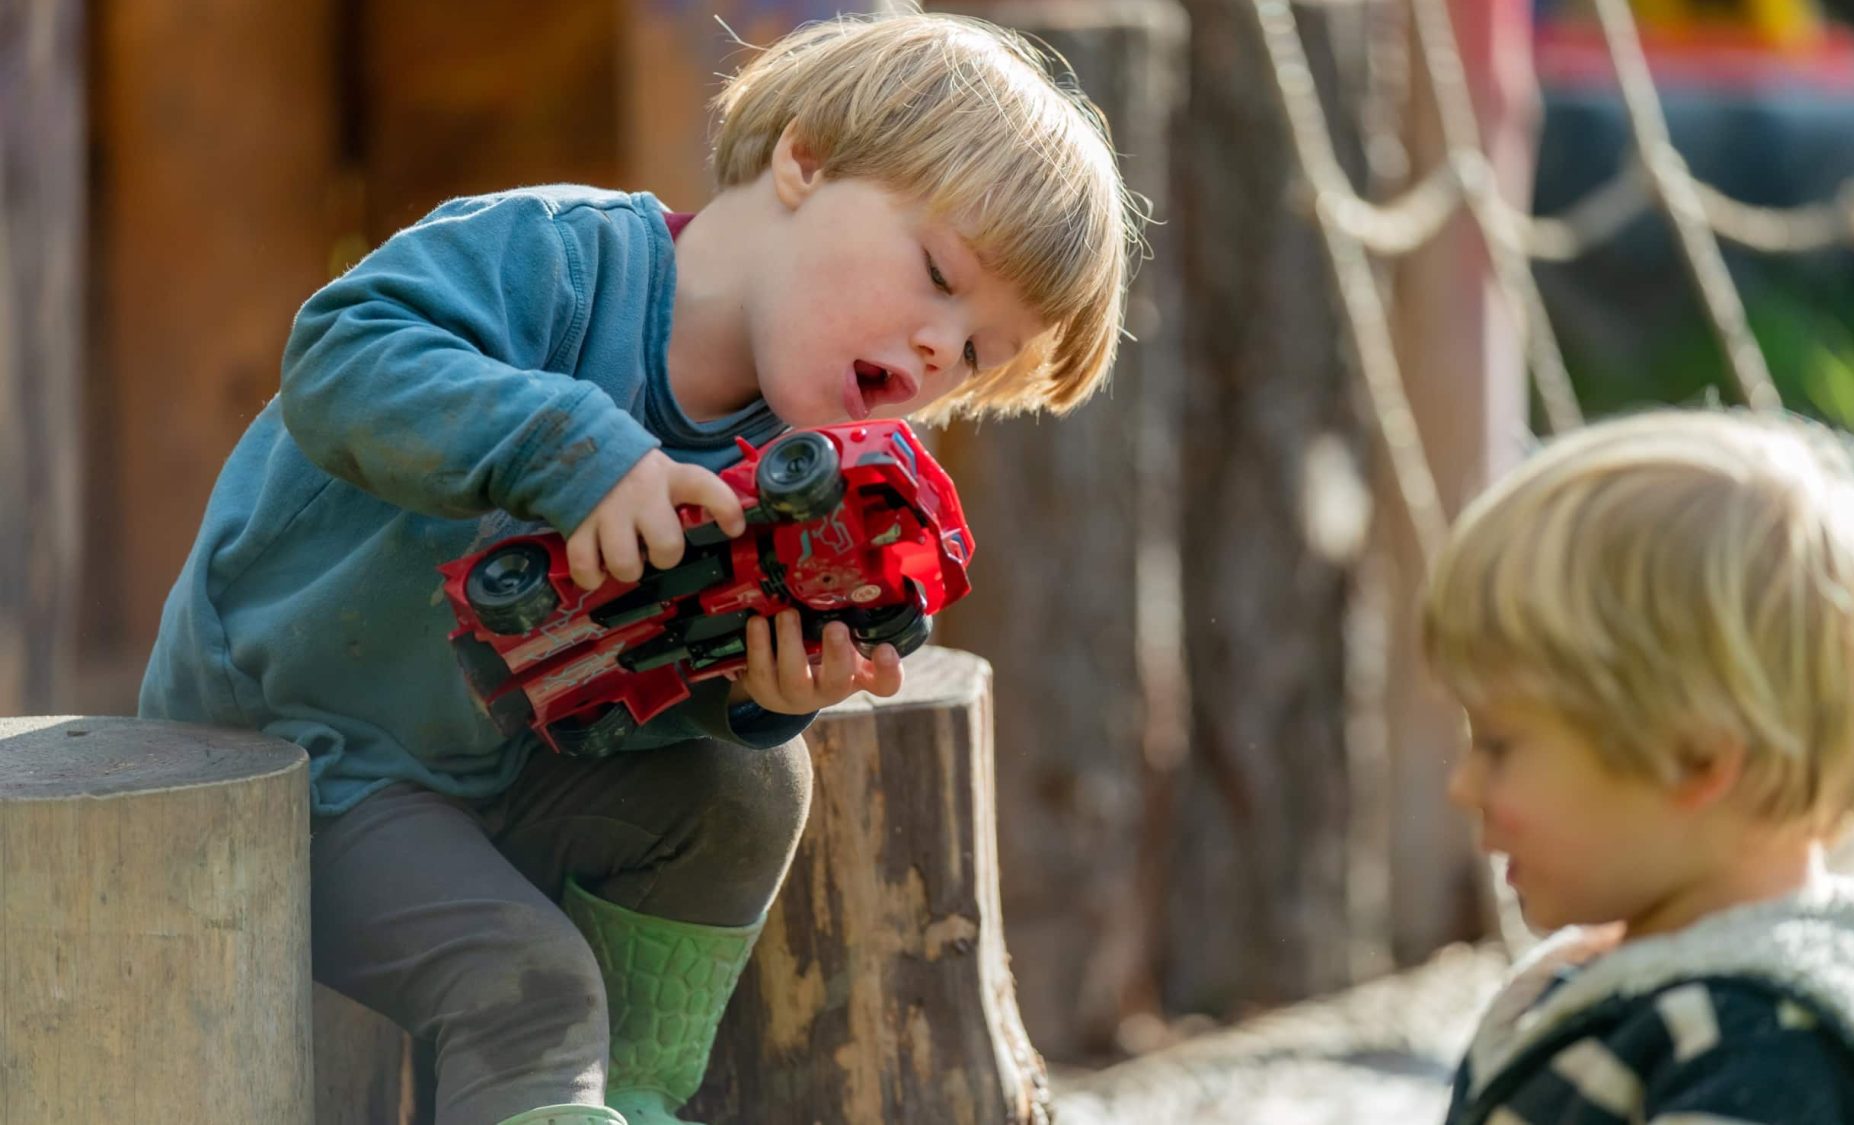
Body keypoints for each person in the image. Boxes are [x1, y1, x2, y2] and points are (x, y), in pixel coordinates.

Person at [137, 13, 1138, 1125]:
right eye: (939, 273)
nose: (938, 353)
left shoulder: (779, 467)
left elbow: (628, 677)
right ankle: (544, 1071)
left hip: (493, 763)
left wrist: (749, 691)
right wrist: (575, 455)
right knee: (525, 992)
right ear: (804, 159)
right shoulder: (557, 261)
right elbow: (341, 356)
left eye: (977, 356)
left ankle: (619, 1100)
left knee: (749, 786)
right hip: (292, 756)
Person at [1423, 409, 1854, 1124]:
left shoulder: (1768, 1054)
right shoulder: (1634, 994)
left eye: (1500, 746)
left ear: (1697, 758)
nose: (1463, 784)